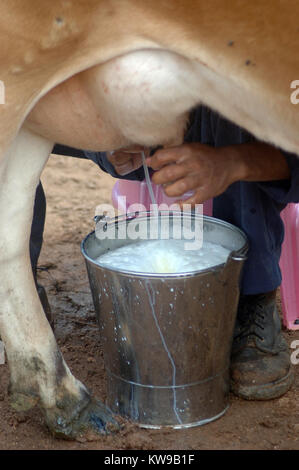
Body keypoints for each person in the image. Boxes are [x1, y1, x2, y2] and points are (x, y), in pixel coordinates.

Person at [31, 105, 299, 400]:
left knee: (235, 110)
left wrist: (233, 162)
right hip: (138, 112)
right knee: (14, 111)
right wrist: (106, 142)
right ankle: (17, 297)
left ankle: (250, 299)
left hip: (235, 122)